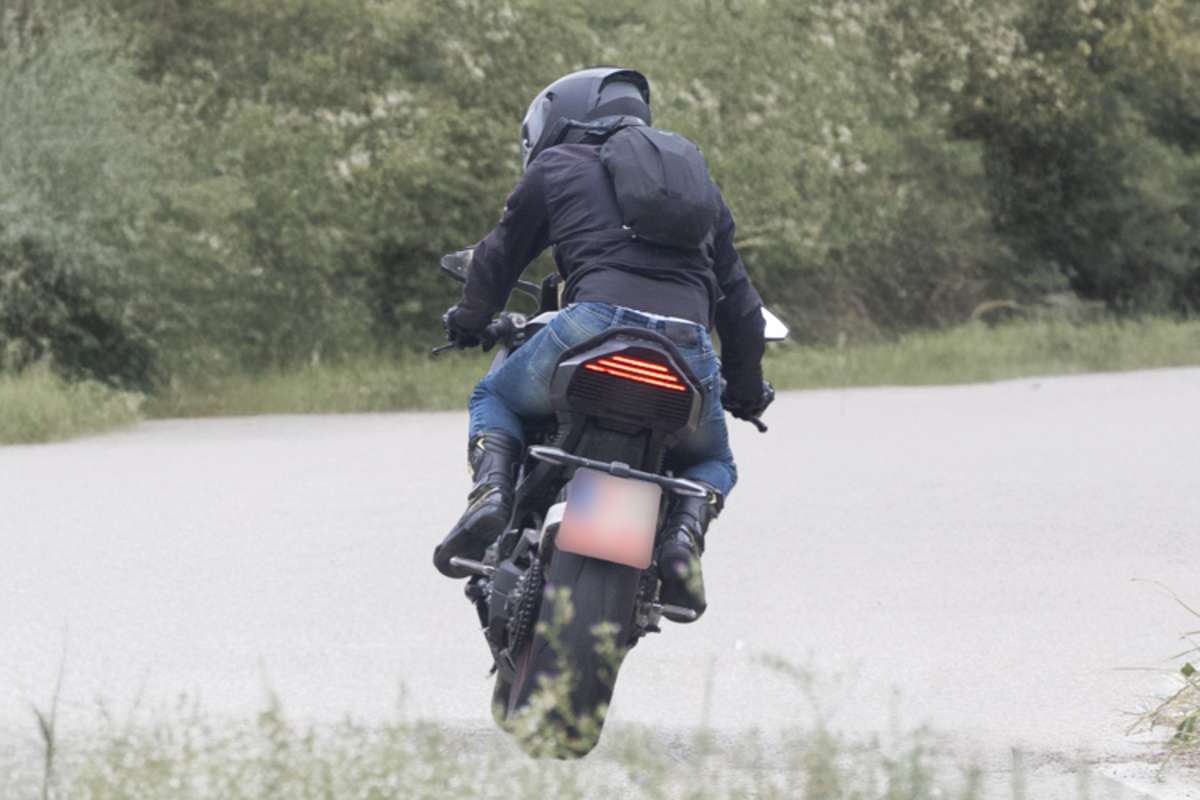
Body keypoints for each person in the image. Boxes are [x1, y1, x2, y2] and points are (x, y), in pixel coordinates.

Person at [432, 67, 773, 620]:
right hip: (685, 351)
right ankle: (683, 537)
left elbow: (498, 257)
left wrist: (471, 319)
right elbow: (741, 306)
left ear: (562, 121)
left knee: (494, 398)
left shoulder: (557, 166)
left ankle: (491, 495)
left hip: (591, 329)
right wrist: (749, 391)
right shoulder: (702, 191)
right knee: (711, 458)